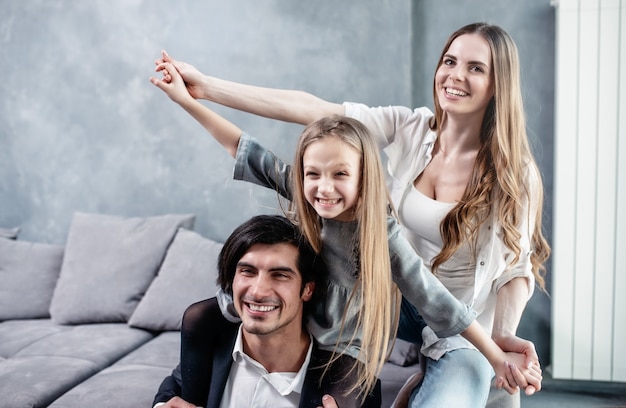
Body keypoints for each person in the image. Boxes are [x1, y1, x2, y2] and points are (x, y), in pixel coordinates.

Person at [151, 21, 549, 407]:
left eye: (475, 67)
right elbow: (302, 118)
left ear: (498, 84)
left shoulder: (512, 174)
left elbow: (502, 274)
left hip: (455, 316)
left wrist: (499, 344)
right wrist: (200, 92)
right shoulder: (410, 129)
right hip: (384, 297)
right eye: (449, 61)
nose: (455, 75)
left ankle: (429, 379)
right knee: (208, 318)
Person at [153, 214, 362, 408]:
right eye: (247, 271)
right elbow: (175, 386)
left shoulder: (347, 383)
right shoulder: (212, 344)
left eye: (280, 275)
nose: (258, 291)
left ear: (307, 289)